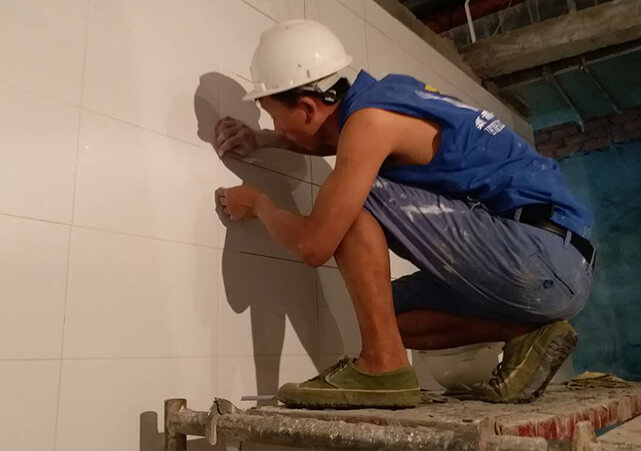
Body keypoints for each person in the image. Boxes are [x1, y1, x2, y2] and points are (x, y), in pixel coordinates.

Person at [214, 20, 596, 409]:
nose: (274, 126)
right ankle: (523, 331)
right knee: (385, 319)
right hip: (555, 264)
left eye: (272, 116)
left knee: (354, 195)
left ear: (308, 107)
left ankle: (382, 367)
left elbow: (314, 245)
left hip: (544, 257)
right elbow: (332, 138)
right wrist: (264, 139)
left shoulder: (370, 122)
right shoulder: (384, 101)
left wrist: (259, 204)